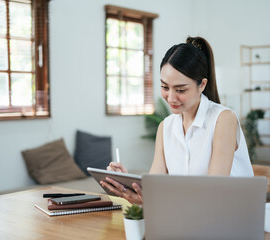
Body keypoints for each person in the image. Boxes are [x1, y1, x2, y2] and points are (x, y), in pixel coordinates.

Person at [100, 36, 254, 205]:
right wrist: (130, 185)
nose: (171, 97)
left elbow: (214, 192)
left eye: (180, 89)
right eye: (165, 87)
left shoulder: (223, 119)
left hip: (229, 217)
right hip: (188, 219)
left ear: (202, 85)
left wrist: (157, 199)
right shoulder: (165, 127)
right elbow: (155, 188)